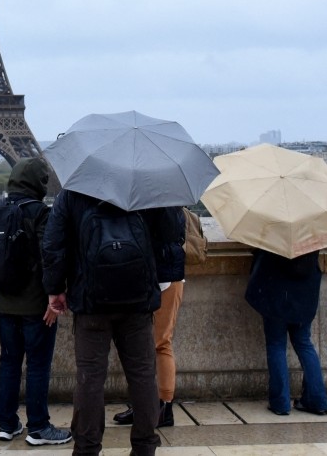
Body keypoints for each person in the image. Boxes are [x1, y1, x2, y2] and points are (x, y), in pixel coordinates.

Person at [42, 189, 171, 456]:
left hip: (91, 301)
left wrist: (55, 288)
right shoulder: (146, 186)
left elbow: (54, 243)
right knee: (143, 376)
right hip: (137, 299)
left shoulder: (73, 191)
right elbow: (170, 234)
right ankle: (145, 447)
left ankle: (87, 449)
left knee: (89, 379)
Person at [0, 158, 72, 446]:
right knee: (37, 365)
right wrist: (53, 297)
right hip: (35, 305)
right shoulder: (40, 213)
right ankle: (38, 427)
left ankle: (6, 424)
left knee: (8, 362)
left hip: (4, 302)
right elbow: (50, 259)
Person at [114, 207, 188, 428]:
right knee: (152, 344)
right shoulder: (172, 201)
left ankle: (163, 406)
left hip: (160, 276)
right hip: (167, 275)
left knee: (159, 343)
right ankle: (151, 405)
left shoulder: (155, 204)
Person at [244, 248, 327, 416]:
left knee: (276, 346)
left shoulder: (274, 229)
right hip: (304, 297)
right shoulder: (310, 230)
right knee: (304, 344)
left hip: (276, 296)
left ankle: (280, 402)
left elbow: (260, 254)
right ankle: (317, 400)